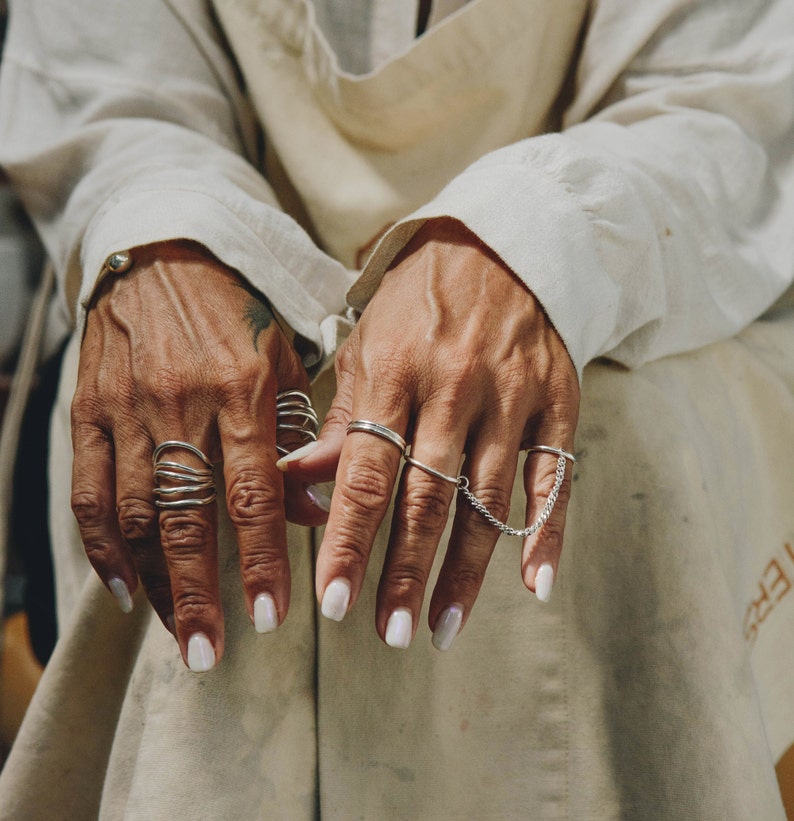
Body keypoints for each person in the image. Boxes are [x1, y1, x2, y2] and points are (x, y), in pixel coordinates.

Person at [0, 0, 793, 817]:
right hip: (245, 255)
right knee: (197, 425)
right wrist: (165, 235)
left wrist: (530, 235)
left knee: (581, 435)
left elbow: (730, 98)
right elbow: (110, 89)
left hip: (648, 256)